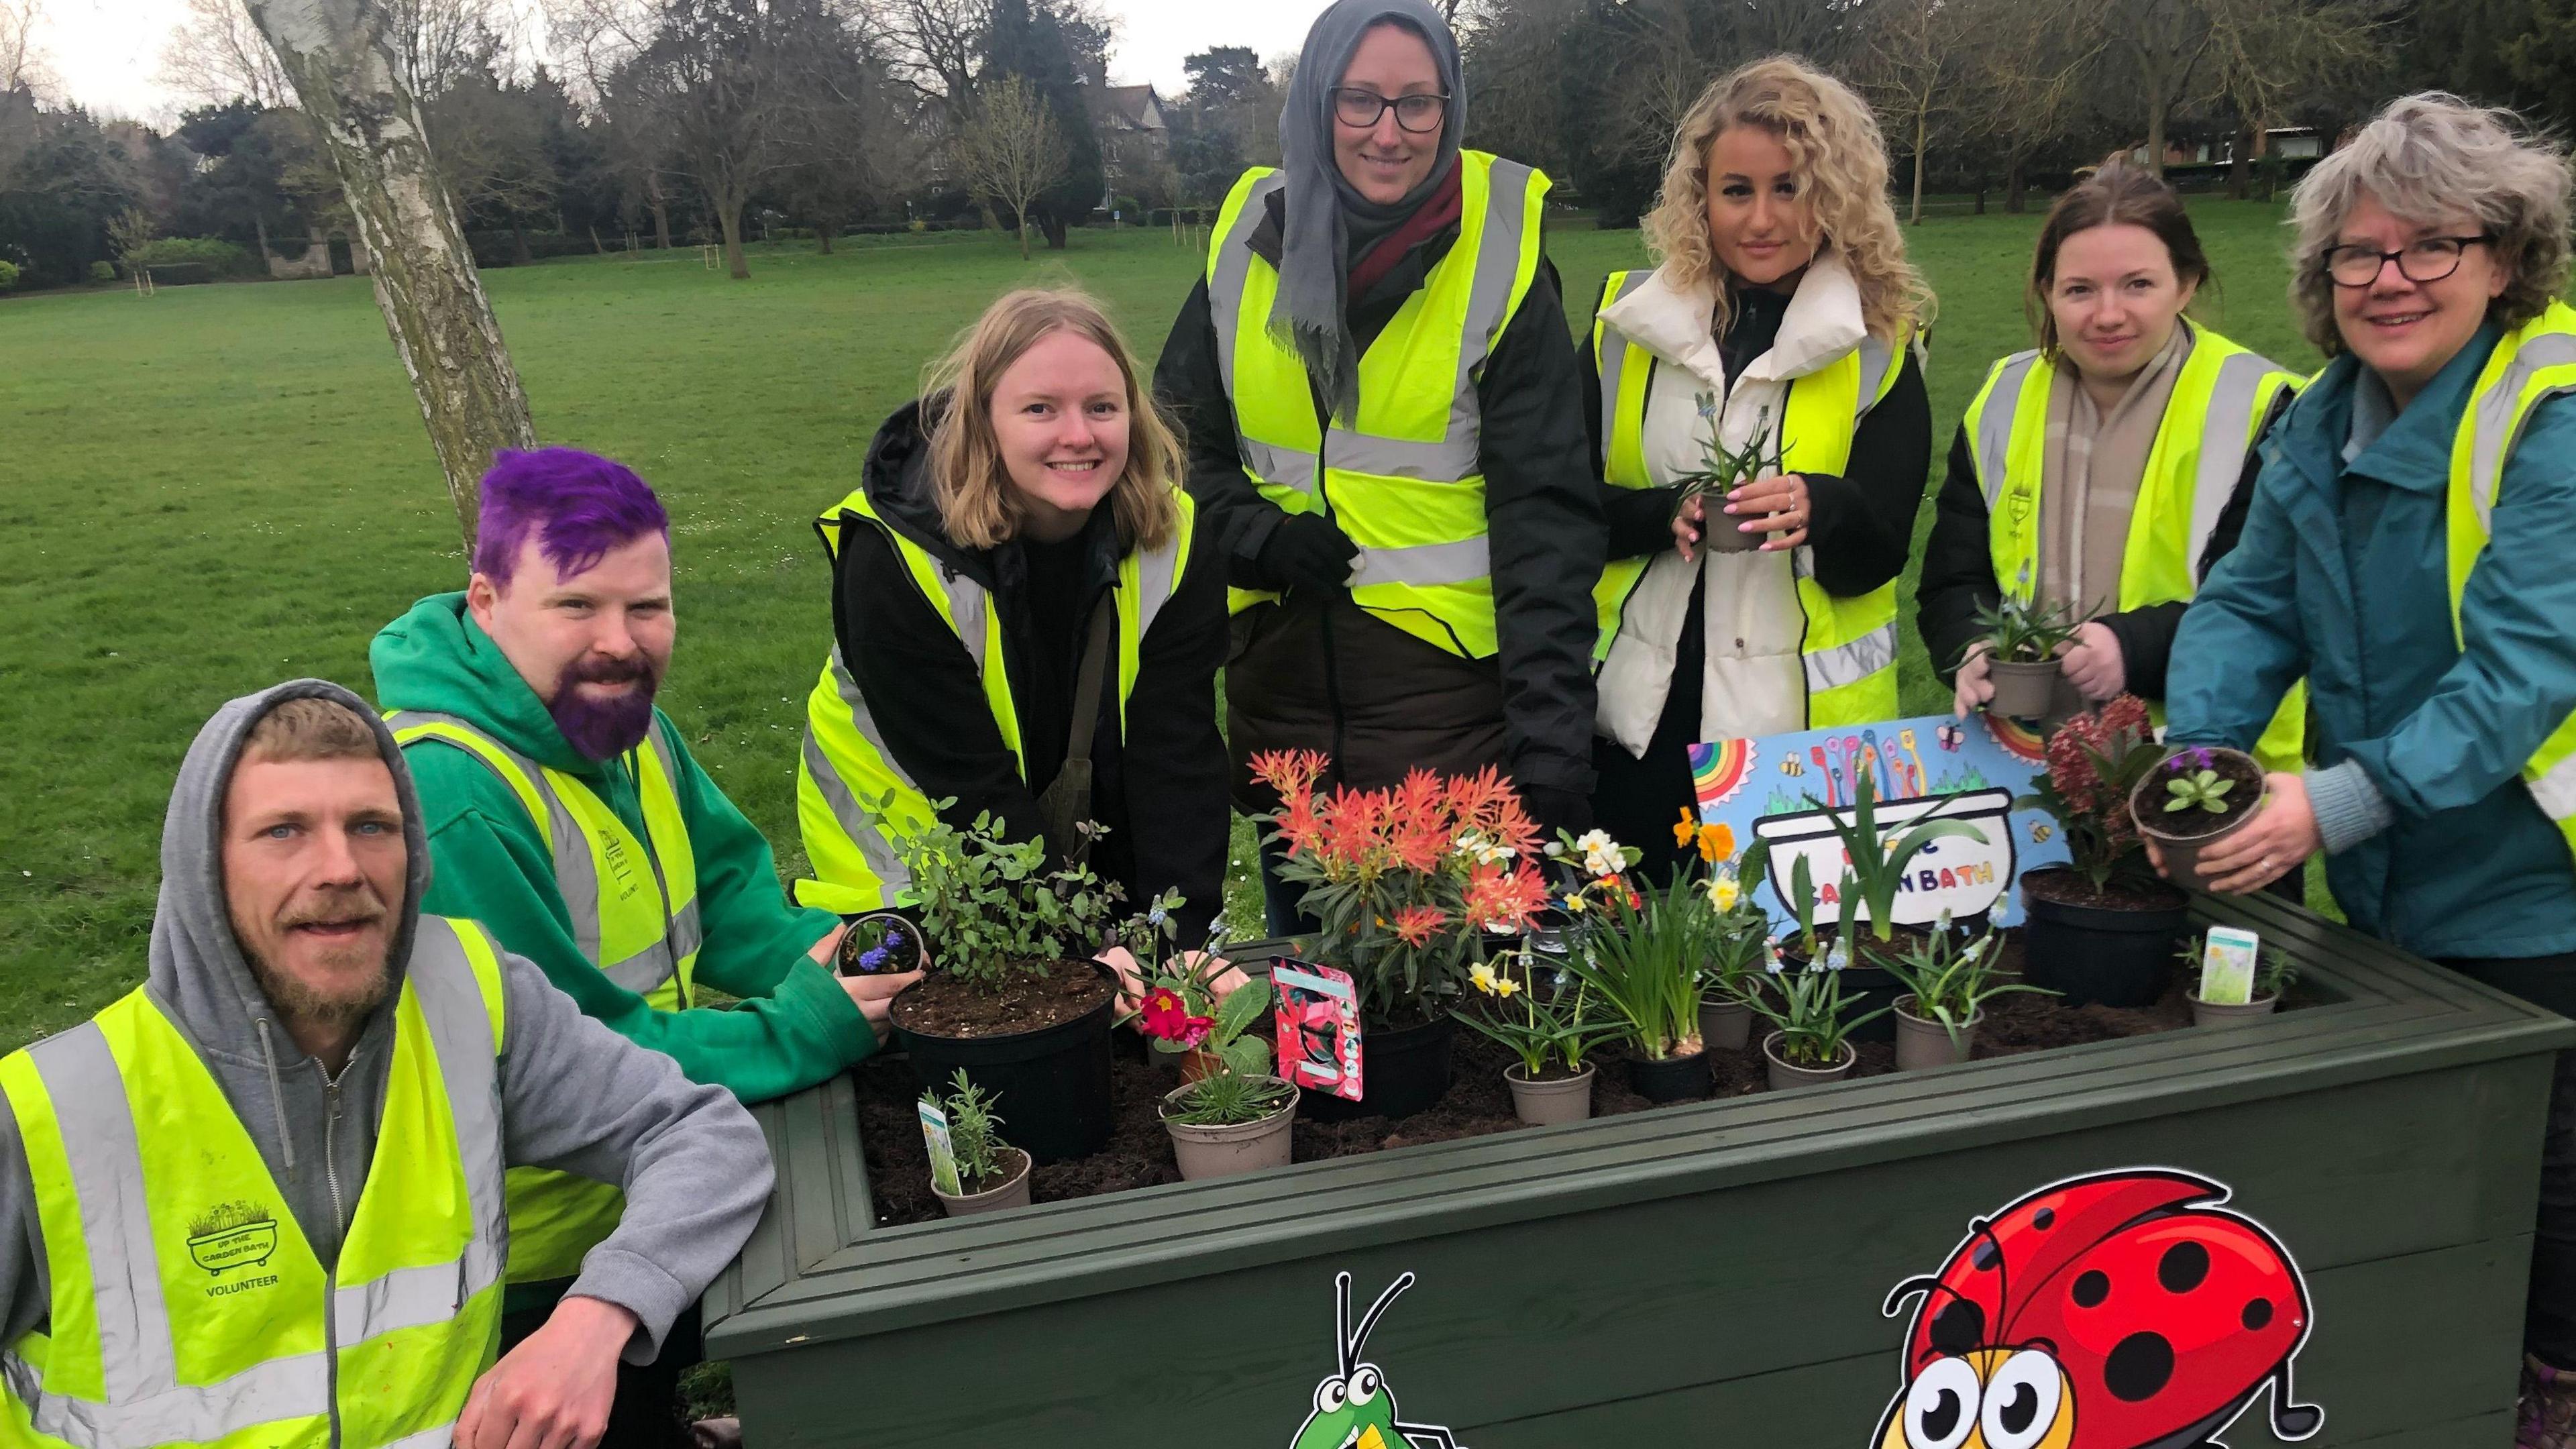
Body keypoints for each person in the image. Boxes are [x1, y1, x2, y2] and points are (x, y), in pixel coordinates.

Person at [0, 683, 771, 1449]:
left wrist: (596, 1317)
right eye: (283, 832)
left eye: (373, 826)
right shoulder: (52, 1114)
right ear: (205, 871)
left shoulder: (468, 995)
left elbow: (700, 1133)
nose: (341, 868)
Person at [2157, 95, 2576, 1445]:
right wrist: (2204, 761)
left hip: (2544, 891)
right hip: (2394, 881)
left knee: (2548, 1189)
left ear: (2505, 258)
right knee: (2425, 1169)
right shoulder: (2321, 420)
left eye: (2431, 246)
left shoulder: (2554, 417)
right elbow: (2245, 604)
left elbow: (2517, 678)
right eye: (2356, 252)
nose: (2387, 279)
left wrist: (2323, 806)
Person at [370, 448, 912, 1438]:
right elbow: (584, 1053)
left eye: (647, 608)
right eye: (577, 606)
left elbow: (736, 898)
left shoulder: (623, 727)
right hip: (516, 1272)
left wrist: (872, 957)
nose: (619, 643)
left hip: (637, 1200)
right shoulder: (451, 798)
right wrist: (804, 1026)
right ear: (486, 603)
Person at [1154, 0, 1603, 932]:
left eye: (1417, 103)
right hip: (1288, 728)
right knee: (1323, 1037)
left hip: (1449, 726)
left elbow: (1549, 521)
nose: (1388, 133)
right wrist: (1259, 536)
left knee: (1464, 1034)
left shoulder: (1504, 256)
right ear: (1316, 105)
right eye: (1359, 101)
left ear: (1453, 107)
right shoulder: (1246, 239)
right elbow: (1170, 447)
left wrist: (1554, 750)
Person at [1585, 55, 1934, 877]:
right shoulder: (1624, 328)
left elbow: (1882, 553)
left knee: (1775, 991)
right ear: (1700, 198)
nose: (1762, 218)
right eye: (1737, 190)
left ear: (1833, 195)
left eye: (1791, 188)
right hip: (1635, 725)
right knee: (1636, 980)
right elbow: (1559, 505)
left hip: (1795, 744)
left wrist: (1824, 507)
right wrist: (1655, 514)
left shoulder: (1879, 348)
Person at [796, 287, 1228, 948]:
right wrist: (1089, 954)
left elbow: (1177, 759)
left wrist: (1177, 948)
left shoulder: (1176, 536)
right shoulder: (894, 555)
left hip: (1057, 838)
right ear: (983, 422)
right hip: (912, 858)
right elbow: (970, 790)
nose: (1078, 435)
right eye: (1040, 409)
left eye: (1103, 408)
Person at [1920, 164, 2304, 771]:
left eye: (2137, 285)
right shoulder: (2003, 397)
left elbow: (2281, 604)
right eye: (2079, 290)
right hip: (2030, 773)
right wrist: (1970, 647)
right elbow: (1952, 578)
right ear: (2047, 291)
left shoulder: (2263, 406)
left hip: (2207, 778)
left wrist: (2130, 648)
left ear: (2186, 285)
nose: (2106, 314)